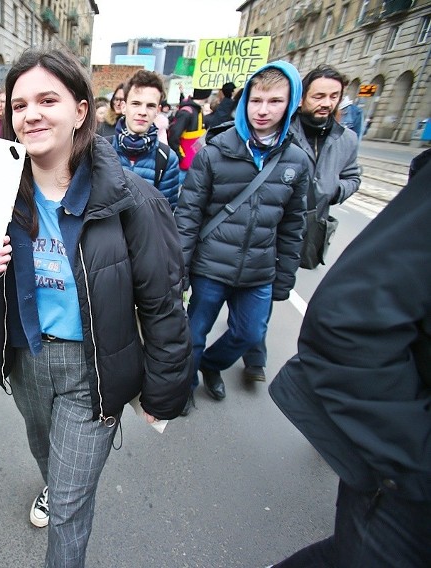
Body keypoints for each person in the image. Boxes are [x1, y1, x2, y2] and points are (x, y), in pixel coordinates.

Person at [0, 46, 192, 568]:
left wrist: (165, 390)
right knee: (49, 460)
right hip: (25, 363)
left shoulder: (134, 199)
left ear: (81, 111)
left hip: (95, 370)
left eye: (48, 99)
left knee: (67, 505)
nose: (31, 114)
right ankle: (57, 479)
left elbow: (162, 306)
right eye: (19, 105)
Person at [268, 160, 431, 568]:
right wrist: (413, 455)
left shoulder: (303, 154)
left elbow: (297, 218)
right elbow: (351, 319)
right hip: (409, 480)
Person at [174, 61, 309, 415]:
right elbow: (187, 214)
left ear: (291, 103)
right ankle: (186, 385)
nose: (263, 110)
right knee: (194, 334)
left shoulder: (296, 160)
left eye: (275, 101)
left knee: (249, 334)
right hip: (210, 267)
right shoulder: (215, 151)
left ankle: (212, 364)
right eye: (256, 100)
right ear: (245, 100)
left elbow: (294, 224)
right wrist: (180, 267)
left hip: (259, 271)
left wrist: (285, 275)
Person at [242, 64, 361, 382]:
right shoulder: (283, 131)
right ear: (301, 97)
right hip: (271, 225)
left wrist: (336, 190)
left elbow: (352, 176)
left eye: (333, 96)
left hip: (309, 226)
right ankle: (255, 355)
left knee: (275, 289)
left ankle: (252, 344)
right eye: (318, 95)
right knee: (261, 293)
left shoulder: (345, 139)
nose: (326, 102)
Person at [107, 69, 183, 209]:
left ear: (158, 111)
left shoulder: (166, 159)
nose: (142, 112)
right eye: (136, 103)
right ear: (124, 107)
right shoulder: (101, 150)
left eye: (150, 106)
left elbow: (165, 213)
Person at [168, 88, 211, 174]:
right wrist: (181, 157)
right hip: (184, 165)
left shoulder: (198, 110)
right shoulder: (186, 112)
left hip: (193, 161)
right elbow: (173, 137)